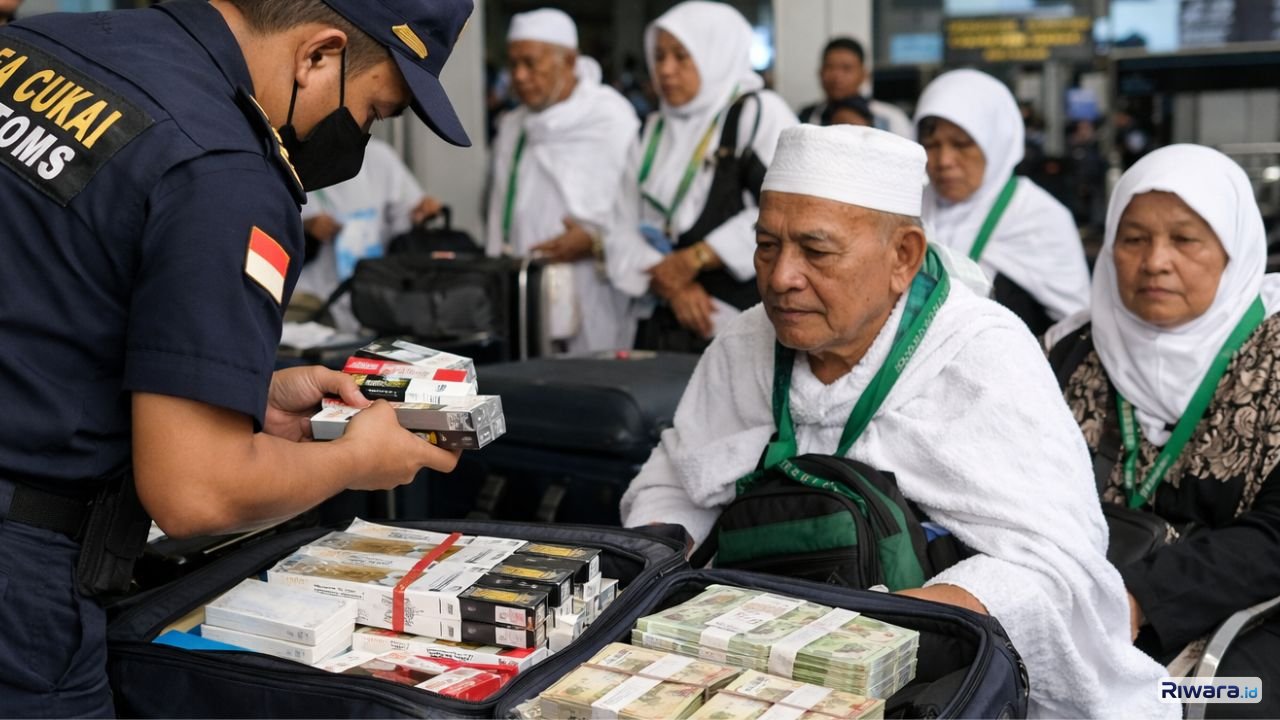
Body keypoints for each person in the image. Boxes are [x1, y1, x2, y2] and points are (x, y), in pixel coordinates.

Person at [0, 0, 473, 714]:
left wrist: (236, 396)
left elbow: (48, 300)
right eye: (375, 113)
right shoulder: (224, 165)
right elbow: (198, 493)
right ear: (319, 54)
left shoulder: (43, 44)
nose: (358, 141)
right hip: (19, 582)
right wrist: (356, 461)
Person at [619, 124, 1173, 718]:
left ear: (902, 256)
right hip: (757, 649)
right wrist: (662, 568)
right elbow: (678, 479)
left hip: (933, 662)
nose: (782, 277)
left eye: (817, 251)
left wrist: (891, 624)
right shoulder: (748, 340)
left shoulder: (980, 354)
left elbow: (1055, 571)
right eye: (766, 246)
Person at [1046, 144, 1280, 718]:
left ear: (1232, 250)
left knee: (1212, 704)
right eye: (1133, 239)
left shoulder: (1274, 356)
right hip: (1081, 613)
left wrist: (1138, 597)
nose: (1155, 261)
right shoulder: (1069, 350)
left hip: (1246, 623)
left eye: (1185, 239)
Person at [608, 0, 797, 352]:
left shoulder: (757, 114)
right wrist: (672, 282)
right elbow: (619, 228)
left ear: (717, 52)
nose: (664, 70)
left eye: (681, 56)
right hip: (661, 321)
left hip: (739, 319)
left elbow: (790, 209)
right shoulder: (650, 132)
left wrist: (695, 258)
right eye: (659, 56)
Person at [485, 8, 639, 353]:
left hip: (593, 286)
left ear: (568, 61)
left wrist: (595, 241)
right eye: (513, 64)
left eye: (531, 63)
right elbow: (499, 212)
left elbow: (639, 213)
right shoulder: (513, 125)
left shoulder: (610, 118)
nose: (520, 76)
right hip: (523, 286)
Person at [915, 69, 1090, 337]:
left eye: (961, 144)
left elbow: (1076, 330)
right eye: (932, 145)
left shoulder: (1039, 218)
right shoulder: (910, 206)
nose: (944, 160)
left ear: (995, 142)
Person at [293, 136, 443, 331]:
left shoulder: (378, 157)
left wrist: (423, 211)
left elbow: (408, 215)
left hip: (377, 290)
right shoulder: (298, 160)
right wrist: (306, 227)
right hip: (314, 294)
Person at [796, 37, 912, 139]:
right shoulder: (805, 118)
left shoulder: (891, 119)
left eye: (846, 68)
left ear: (864, 75)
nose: (837, 77)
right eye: (830, 67)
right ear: (820, 73)